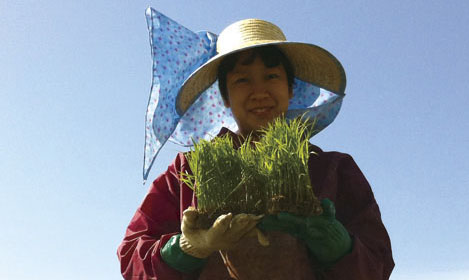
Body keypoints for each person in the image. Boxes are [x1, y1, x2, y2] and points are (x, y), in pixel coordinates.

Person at [119, 18, 394, 279]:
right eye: (242, 80)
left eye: (271, 76)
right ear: (224, 97)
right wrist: (189, 248)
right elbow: (132, 256)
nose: (259, 91)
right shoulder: (189, 169)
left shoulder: (334, 169)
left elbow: (377, 264)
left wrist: (338, 246)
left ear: (290, 89)